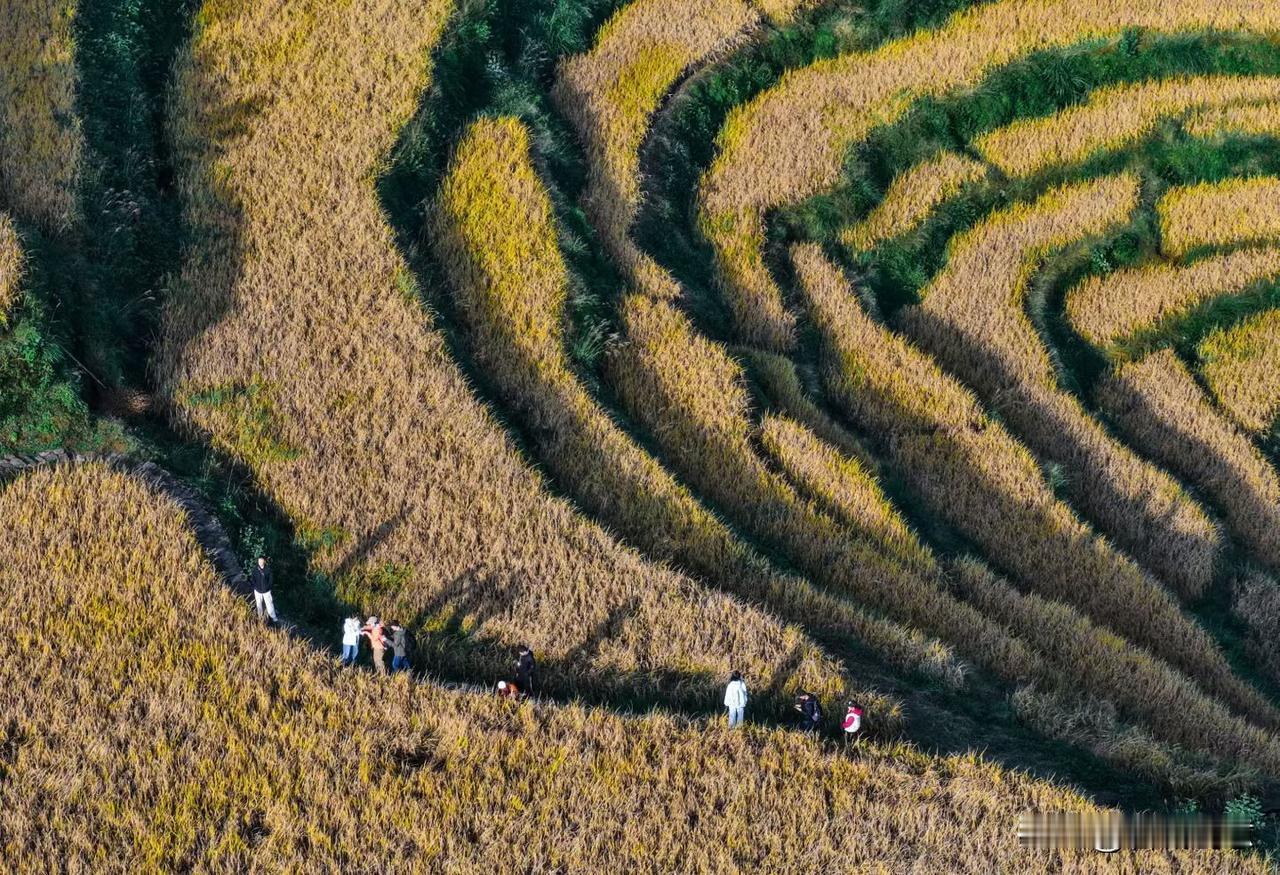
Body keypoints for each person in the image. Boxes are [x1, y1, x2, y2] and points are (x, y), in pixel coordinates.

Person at [250, 556, 278, 625]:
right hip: (257, 591)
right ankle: (260, 617)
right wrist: (256, 587)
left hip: (266, 591)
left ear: (264, 561)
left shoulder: (268, 569)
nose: (260, 562)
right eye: (259, 561)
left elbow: (271, 580)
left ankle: (274, 618)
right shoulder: (255, 569)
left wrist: (267, 587)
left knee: (269, 605)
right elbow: (253, 579)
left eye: (261, 561)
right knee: (259, 604)